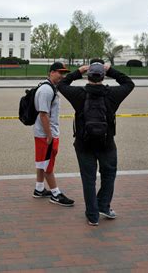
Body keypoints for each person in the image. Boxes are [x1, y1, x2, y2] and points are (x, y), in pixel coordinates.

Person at [58, 60, 134, 226]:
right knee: (109, 175)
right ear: (103, 76)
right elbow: (129, 83)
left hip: (84, 144)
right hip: (106, 143)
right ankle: (103, 205)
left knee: (88, 179)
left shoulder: (79, 94)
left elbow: (62, 84)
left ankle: (92, 215)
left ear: (88, 76)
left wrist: (78, 71)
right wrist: (111, 70)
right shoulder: (112, 94)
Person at [32, 62, 75, 207]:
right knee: (48, 165)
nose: (62, 75)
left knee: (41, 162)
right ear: (51, 72)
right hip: (46, 135)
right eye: (59, 72)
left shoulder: (48, 87)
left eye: (64, 73)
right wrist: (49, 135)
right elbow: (43, 114)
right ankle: (56, 194)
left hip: (42, 133)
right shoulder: (46, 90)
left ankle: (39, 189)